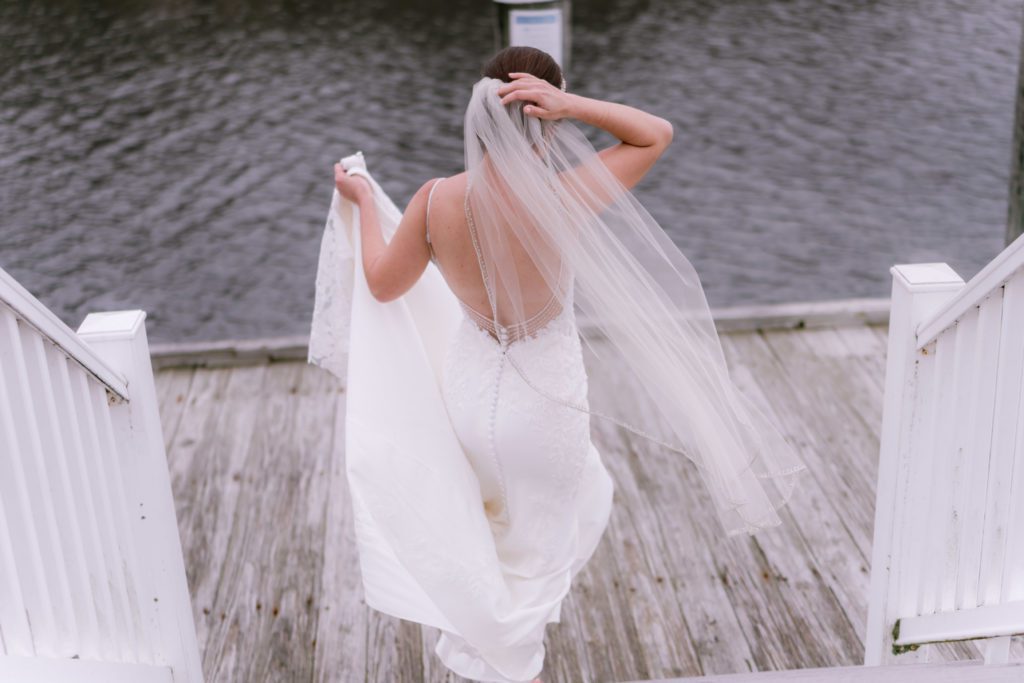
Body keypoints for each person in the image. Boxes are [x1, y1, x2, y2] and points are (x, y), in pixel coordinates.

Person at [331, 45, 806, 683]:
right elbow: (654, 135)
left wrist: (364, 200)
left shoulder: (434, 199)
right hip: (546, 405)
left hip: (473, 403)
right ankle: (511, 665)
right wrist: (572, 105)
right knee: (540, 555)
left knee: (487, 545)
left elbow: (384, 286)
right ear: (544, 118)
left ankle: (484, 656)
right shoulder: (565, 195)